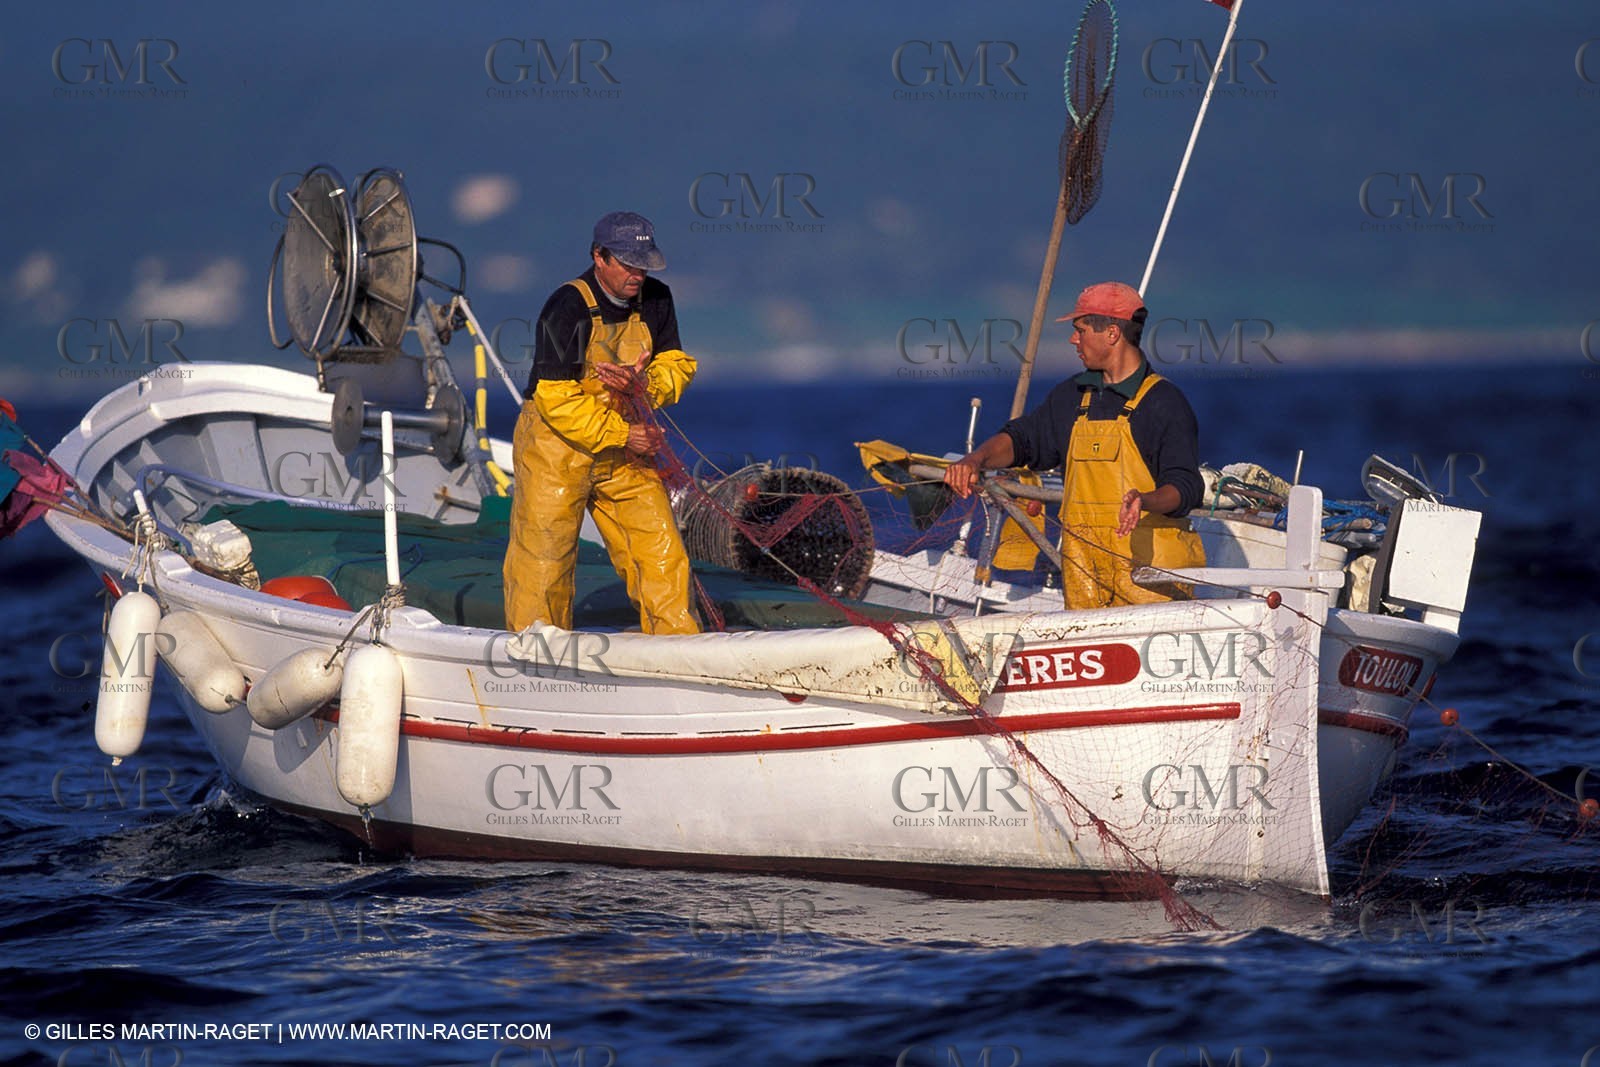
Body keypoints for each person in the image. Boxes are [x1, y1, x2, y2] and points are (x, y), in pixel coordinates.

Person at [943, 281, 1206, 609]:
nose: (1073, 339)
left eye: (1080, 330)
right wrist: (976, 459)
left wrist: (1145, 500)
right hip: (1084, 580)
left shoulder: (1164, 402)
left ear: (1112, 333)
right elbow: (1022, 440)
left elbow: (1186, 486)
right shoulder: (1072, 397)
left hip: (1150, 582)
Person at [503, 211, 700, 635]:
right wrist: (624, 433)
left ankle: (679, 646)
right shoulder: (568, 306)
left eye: (644, 263)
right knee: (544, 557)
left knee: (659, 548)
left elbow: (676, 363)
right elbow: (554, 396)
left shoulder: (657, 299)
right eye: (628, 263)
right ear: (599, 257)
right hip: (557, 451)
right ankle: (537, 652)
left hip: (626, 449)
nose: (637, 274)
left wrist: (643, 384)